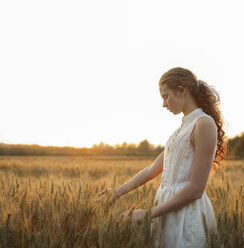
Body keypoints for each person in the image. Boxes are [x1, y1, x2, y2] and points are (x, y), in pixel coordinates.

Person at [95, 67, 227, 247]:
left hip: (187, 216)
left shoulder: (203, 124)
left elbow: (196, 189)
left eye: (166, 96)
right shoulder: (180, 131)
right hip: (166, 212)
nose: (164, 104)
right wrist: (117, 192)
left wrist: (148, 213)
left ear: (181, 90)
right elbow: (152, 169)